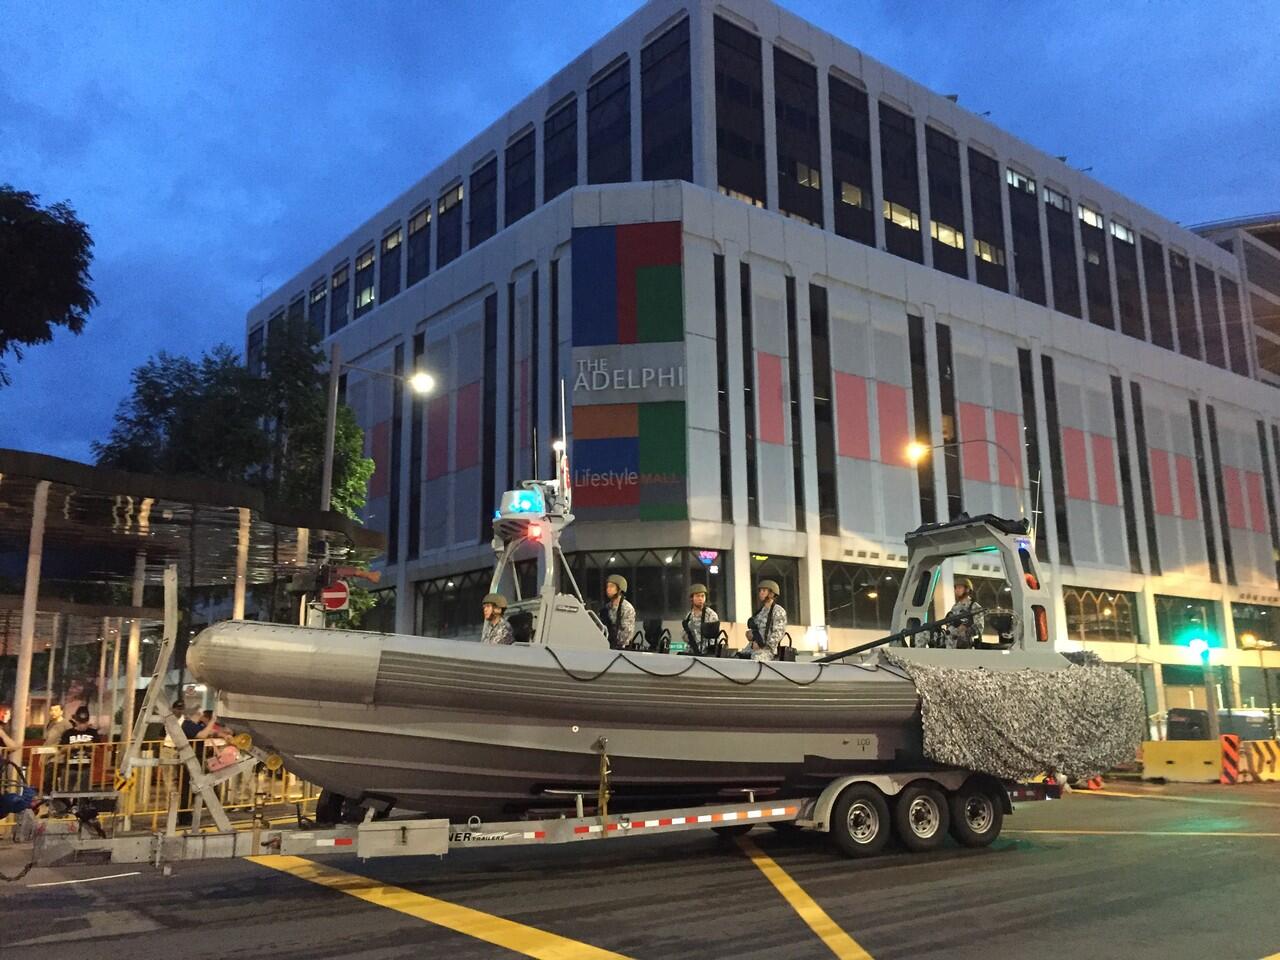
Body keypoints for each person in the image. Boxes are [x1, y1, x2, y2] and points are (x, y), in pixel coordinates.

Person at [58, 705, 100, 796]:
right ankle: (64, 809)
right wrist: (72, 747)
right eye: (80, 722)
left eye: (85, 722)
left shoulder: (92, 732)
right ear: (76, 721)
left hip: (86, 767)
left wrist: (91, 745)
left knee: (84, 793)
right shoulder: (68, 733)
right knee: (65, 792)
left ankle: (82, 808)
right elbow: (61, 749)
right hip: (69, 767)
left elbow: (99, 746)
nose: (82, 725)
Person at [741, 580, 787, 661]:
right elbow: (757, 630)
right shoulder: (760, 612)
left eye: (764, 590)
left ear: (771, 593)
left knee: (755, 659)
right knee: (738, 657)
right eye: (760, 591)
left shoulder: (778, 611)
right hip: (753, 647)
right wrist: (750, 634)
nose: (761, 593)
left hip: (768, 651)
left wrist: (764, 646)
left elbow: (778, 634)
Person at [943, 579, 985, 649]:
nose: (957, 590)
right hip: (950, 639)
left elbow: (979, 627)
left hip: (964, 642)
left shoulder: (975, 606)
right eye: (956, 588)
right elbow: (950, 622)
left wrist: (964, 629)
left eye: (959, 588)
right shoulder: (955, 607)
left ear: (967, 589)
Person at [681, 584, 719, 654]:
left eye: (702, 596)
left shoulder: (710, 614)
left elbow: (715, 638)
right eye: (697, 596)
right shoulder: (689, 615)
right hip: (691, 651)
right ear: (692, 598)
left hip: (706, 653)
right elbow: (684, 636)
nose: (700, 598)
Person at [601, 574, 636, 649]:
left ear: (619, 589)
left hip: (621, 649)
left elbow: (626, 635)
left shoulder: (627, 608)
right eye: (607, 586)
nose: (608, 589)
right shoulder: (606, 608)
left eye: (612, 586)